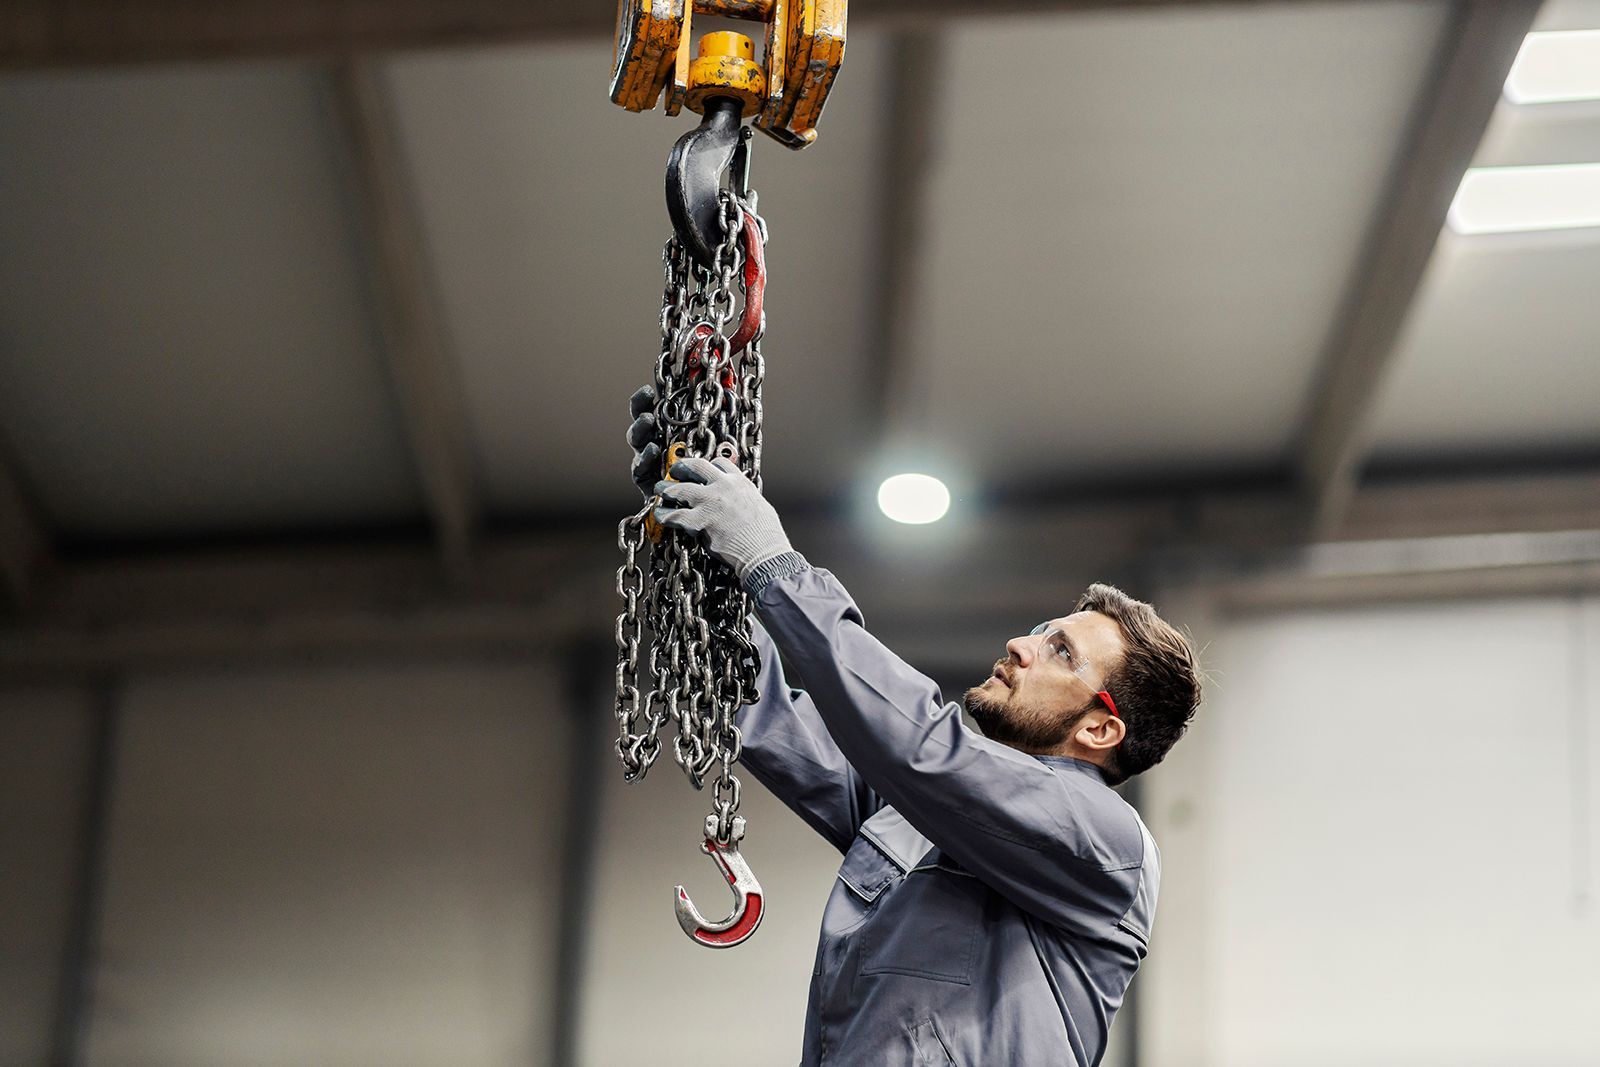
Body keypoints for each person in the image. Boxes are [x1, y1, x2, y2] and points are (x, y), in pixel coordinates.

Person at [628, 388, 1202, 1066]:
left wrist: (773, 566)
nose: (1022, 644)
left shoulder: (1106, 844)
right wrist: (701, 558)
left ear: (1102, 730)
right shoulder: (921, 815)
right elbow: (778, 720)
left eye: (1061, 652)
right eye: (1041, 630)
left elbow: (917, 746)